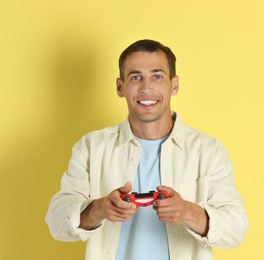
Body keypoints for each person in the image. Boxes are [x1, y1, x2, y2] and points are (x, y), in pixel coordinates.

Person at [45, 39, 249, 260]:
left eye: (157, 76)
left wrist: (187, 211)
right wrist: (100, 209)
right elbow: (56, 222)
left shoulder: (208, 151)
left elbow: (236, 229)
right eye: (135, 77)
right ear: (120, 87)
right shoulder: (91, 148)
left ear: (175, 84)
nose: (146, 87)